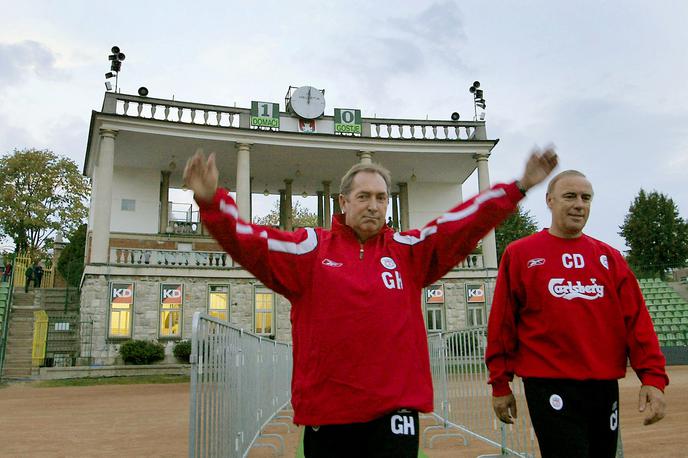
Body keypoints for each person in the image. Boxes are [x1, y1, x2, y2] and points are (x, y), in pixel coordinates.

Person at [184, 147, 558, 457]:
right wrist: (211, 201)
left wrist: (519, 186)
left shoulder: (409, 253)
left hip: (394, 415)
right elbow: (250, 241)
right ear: (343, 201)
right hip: (328, 417)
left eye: (381, 197)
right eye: (363, 197)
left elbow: (462, 224)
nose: (373, 205)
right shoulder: (310, 250)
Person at [485, 170, 668, 457]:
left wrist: (653, 379)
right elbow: (502, 324)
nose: (579, 204)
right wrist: (500, 383)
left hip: (602, 385)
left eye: (586, 198)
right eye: (570, 196)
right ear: (549, 201)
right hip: (548, 384)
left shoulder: (609, 258)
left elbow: (637, 322)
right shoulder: (521, 254)